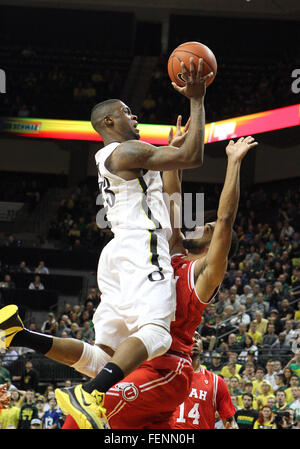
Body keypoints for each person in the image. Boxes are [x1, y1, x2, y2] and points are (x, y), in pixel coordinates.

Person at [0, 132, 258, 429]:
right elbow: (172, 197)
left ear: (215, 245)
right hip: (140, 361)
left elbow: (226, 219)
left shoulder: (204, 273)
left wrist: (234, 163)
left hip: (168, 368)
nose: (200, 224)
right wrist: (174, 153)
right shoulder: (169, 253)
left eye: (207, 227)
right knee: (96, 358)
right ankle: (20, 335)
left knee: (80, 417)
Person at [171, 335, 237, 429]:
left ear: (202, 347)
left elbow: (230, 420)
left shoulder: (216, 382)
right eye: (190, 337)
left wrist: (232, 426)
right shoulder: (169, 376)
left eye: (197, 338)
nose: (194, 340)